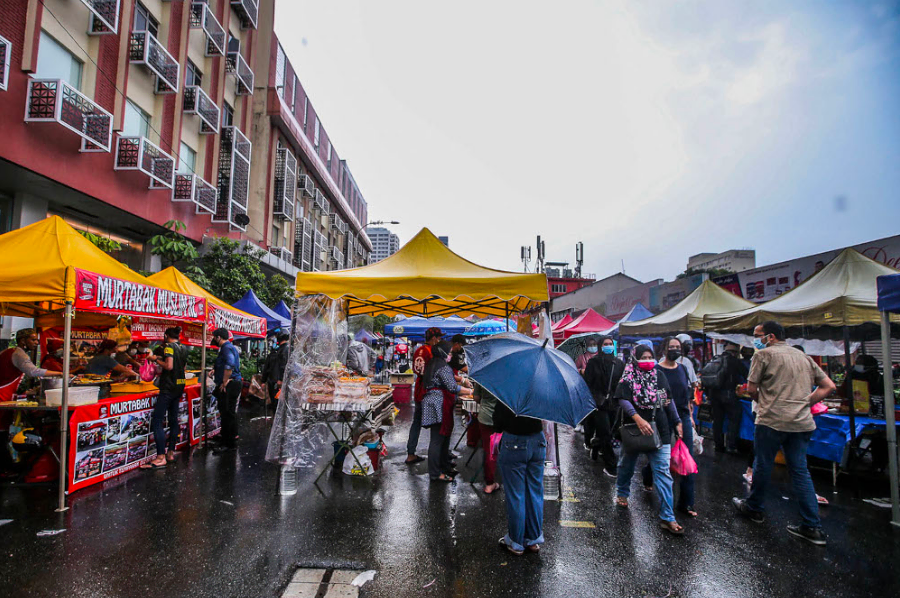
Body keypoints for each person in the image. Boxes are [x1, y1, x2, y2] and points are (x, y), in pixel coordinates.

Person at [733, 321, 836, 546]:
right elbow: (829, 386)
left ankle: (754, 508)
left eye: (757, 335)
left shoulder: (763, 356)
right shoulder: (803, 357)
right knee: (800, 470)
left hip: (772, 421)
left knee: (763, 464)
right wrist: (804, 404)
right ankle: (812, 526)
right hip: (801, 423)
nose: (755, 340)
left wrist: (767, 402)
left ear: (770, 337)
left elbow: (751, 389)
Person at [615, 344, 685, 535]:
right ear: (635, 359)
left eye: (650, 357)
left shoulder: (659, 376)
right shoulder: (628, 377)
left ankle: (668, 517)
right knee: (626, 465)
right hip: (634, 429)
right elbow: (622, 399)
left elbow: (667, 401)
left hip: (659, 430)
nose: (647, 360)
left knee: (663, 473)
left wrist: (677, 421)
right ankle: (622, 491)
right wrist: (637, 418)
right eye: (643, 357)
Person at [494, 399, 546, 556]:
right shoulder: (541, 387)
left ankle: (516, 542)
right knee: (535, 492)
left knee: (516, 494)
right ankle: (533, 539)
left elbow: (497, 421)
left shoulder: (509, 388)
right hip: (538, 440)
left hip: (514, 441)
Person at [657, 336, 698, 517]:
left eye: (677, 347)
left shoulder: (682, 368)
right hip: (662, 416)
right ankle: (650, 476)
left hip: (682, 416)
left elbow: (687, 395)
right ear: (664, 350)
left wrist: (689, 416)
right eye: (671, 347)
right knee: (661, 456)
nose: (675, 350)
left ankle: (686, 503)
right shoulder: (657, 370)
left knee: (686, 458)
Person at [421, 342, 472, 482]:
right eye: (449, 353)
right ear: (443, 353)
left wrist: (462, 381)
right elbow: (451, 387)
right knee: (437, 440)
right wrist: (470, 391)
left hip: (433, 401)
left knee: (441, 438)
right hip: (438, 404)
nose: (450, 355)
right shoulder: (442, 367)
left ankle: (442, 467)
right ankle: (435, 474)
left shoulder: (433, 363)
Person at [141, 327, 188, 469]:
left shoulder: (169, 347)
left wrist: (155, 360)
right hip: (179, 386)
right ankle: (171, 453)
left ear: (166, 336)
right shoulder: (183, 348)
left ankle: (160, 457)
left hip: (167, 387)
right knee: (174, 419)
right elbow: (183, 367)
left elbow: (169, 366)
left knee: (157, 420)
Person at [582, 335, 624, 476]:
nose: (607, 346)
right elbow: (587, 383)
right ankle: (611, 465)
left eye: (610, 343)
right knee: (605, 433)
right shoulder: (593, 363)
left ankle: (596, 444)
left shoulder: (618, 363)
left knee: (610, 432)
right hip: (598, 404)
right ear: (601, 346)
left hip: (614, 404)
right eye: (605, 344)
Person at [405, 327, 443, 464]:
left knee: (416, 423)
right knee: (436, 425)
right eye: (439, 338)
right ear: (433, 338)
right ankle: (437, 458)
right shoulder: (431, 352)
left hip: (419, 391)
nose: (439, 340)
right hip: (429, 391)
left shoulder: (418, 351)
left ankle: (410, 453)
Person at [708, 342, 744, 453]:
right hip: (729, 395)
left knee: (717, 421)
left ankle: (718, 445)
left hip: (714, 395)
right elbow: (746, 374)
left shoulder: (715, 359)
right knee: (734, 420)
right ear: (735, 352)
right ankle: (731, 445)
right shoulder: (735, 361)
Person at [211, 328, 242, 454]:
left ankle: (228, 444)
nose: (214, 339)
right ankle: (230, 437)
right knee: (230, 412)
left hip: (230, 384)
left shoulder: (226, 348)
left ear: (219, 337)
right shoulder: (231, 347)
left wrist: (224, 381)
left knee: (227, 413)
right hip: (234, 382)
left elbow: (229, 364)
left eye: (214, 337)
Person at [474, 382, 500, 494]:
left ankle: (489, 483)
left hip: (485, 417)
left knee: (489, 449)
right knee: (499, 449)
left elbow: (476, 397)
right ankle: (492, 482)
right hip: (501, 418)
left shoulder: (483, 373)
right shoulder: (508, 374)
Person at [264, 333, 291, 407]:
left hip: (277, 381)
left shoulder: (284, 350)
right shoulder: (281, 349)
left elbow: (284, 366)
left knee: (277, 403)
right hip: (275, 380)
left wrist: (281, 379)